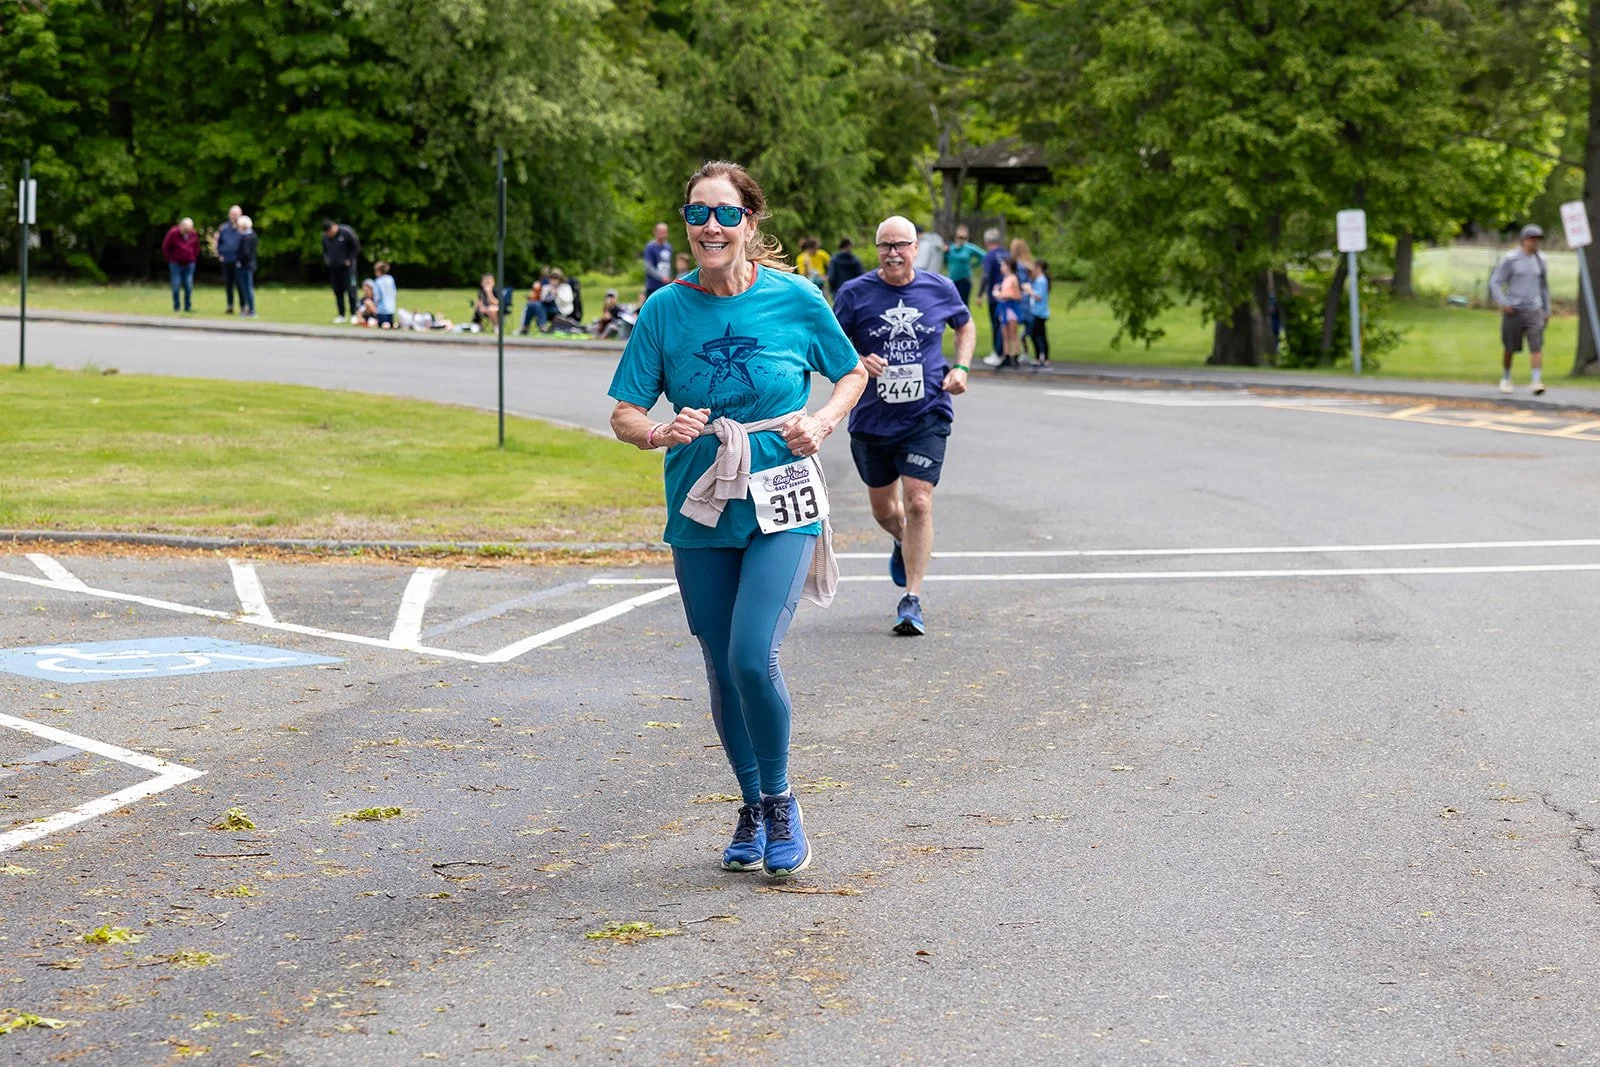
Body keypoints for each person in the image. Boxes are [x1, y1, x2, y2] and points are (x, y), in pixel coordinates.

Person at [607, 160, 867, 879]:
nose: (711, 226)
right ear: (687, 226)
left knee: (754, 655)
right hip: (701, 501)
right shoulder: (665, 309)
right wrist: (659, 432)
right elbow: (625, 411)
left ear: (750, 222)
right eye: (698, 214)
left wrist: (822, 420)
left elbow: (851, 372)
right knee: (721, 667)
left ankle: (781, 802)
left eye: (725, 213)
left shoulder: (795, 297)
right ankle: (750, 804)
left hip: (781, 491)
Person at [833, 215, 975, 636]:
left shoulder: (939, 288)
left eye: (901, 245)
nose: (893, 253)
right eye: (885, 246)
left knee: (918, 502)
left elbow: (964, 324)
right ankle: (901, 539)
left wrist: (962, 366)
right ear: (877, 249)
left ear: (916, 248)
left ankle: (912, 599)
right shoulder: (854, 293)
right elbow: (830, 344)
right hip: (872, 419)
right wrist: (859, 360)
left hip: (926, 413)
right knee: (885, 510)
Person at [1491, 224, 1551, 396]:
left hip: (1534, 309)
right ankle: (1506, 377)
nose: (1535, 242)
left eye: (1538, 239)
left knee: (1536, 346)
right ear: (1524, 240)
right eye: (1532, 239)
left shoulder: (1541, 259)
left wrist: (1546, 309)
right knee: (1510, 347)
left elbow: (1544, 286)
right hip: (1514, 310)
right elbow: (1496, 281)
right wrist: (1503, 302)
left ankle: (1536, 381)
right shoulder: (1511, 259)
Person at [322, 219, 361, 323]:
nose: (329, 234)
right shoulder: (325, 238)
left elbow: (356, 247)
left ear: (334, 226)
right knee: (338, 291)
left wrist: (349, 259)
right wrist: (327, 260)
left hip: (348, 268)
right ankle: (341, 314)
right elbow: (325, 251)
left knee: (351, 291)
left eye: (330, 231)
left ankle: (354, 313)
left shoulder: (346, 232)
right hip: (335, 268)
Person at [976, 228, 1006, 365]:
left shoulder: (989, 256)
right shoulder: (1006, 253)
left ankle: (998, 352)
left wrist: (980, 294)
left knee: (996, 324)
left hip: (995, 295)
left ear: (986, 241)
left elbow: (986, 275)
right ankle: (1008, 352)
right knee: (1005, 324)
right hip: (1008, 293)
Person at [992, 257, 1026, 367]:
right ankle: (1006, 355)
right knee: (1005, 334)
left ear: (1009, 266)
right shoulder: (1005, 279)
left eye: (1003, 265)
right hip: (1004, 307)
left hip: (1011, 307)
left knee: (1013, 334)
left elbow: (1017, 295)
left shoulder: (1013, 278)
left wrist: (1000, 294)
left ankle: (1015, 355)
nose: (1001, 267)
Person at [161, 217, 199, 313]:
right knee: (176, 286)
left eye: (189, 230)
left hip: (189, 263)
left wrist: (193, 258)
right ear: (181, 226)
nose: (187, 232)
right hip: (176, 263)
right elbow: (165, 247)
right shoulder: (173, 233)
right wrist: (171, 259)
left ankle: (187, 306)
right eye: (186, 230)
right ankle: (176, 306)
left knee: (188, 286)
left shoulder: (193, 234)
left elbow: (196, 247)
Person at [215, 205, 244, 314]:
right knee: (228, 284)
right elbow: (218, 242)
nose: (234, 216)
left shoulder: (243, 228)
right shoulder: (224, 228)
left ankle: (243, 306)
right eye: (232, 214)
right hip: (226, 260)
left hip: (238, 261)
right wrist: (219, 254)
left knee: (240, 284)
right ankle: (230, 305)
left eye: (236, 214)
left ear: (240, 215)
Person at [945, 225, 983, 306]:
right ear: (955, 237)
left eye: (964, 238)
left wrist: (973, 265)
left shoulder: (969, 248)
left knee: (963, 304)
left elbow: (983, 255)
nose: (961, 240)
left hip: (964, 279)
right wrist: (945, 252)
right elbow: (946, 259)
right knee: (952, 304)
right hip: (952, 279)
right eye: (959, 237)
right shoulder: (951, 248)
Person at [1027, 259, 1051, 365]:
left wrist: (1029, 290)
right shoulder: (1039, 279)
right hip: (1038, 311)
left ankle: (1042, 357)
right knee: (1038, 334)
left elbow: (1039, 296)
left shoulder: (1041, 280)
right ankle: (1041, 356)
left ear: (1039, 268)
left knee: (1037, 334)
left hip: (1039, 312)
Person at [234, 215, 258, 318]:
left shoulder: (246, 238)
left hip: (245, 266)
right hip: (249, 265)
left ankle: (251, 310)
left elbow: (246, 253)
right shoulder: (252, 235)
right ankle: (249, 309)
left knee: (247, 288)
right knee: (247, 287)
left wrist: (239, 261)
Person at [643, 222, 673, 301]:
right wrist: (660, 277)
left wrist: (669, 277)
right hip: (653, 285)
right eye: (661, 232)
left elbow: (669, 264)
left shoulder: (668, 247)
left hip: (666, 285)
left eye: (665, 232)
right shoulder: (650, 247)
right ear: (655, 232)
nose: (664, 234)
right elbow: (648, 266)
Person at [372, 262, 398, 328]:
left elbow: (377, 296)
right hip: (391, 309)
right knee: (390, 324)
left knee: (381, 325)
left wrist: (375, 304)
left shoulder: (378, 281)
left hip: (382, 310)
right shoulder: (390, 279)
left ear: (378, 271)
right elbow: (394, 292)